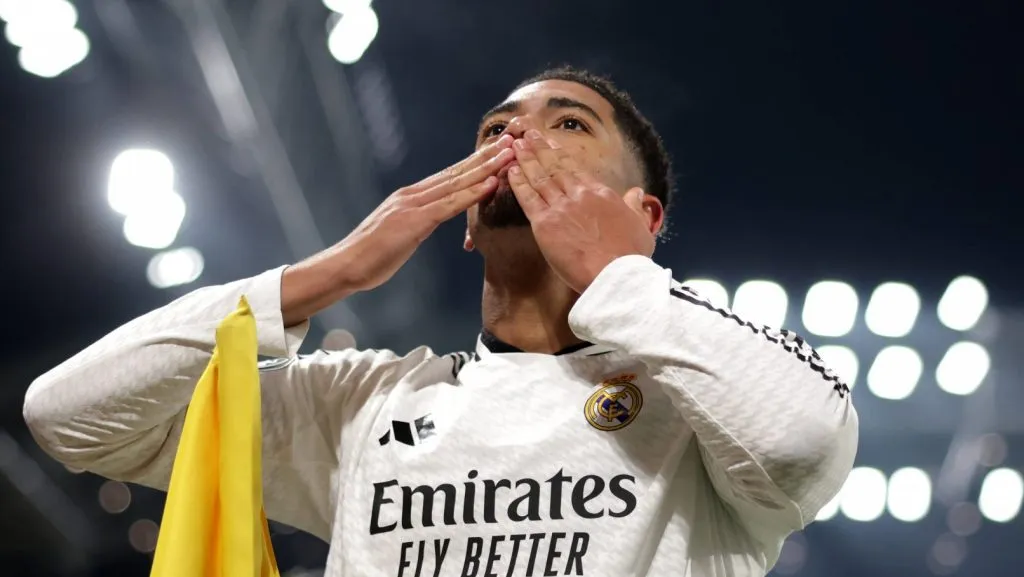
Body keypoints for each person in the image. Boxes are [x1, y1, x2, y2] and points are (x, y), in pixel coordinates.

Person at [24, 66, 858, 577]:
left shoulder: (703, 396)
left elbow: (802, 444)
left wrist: (621, 278)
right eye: (497, 128)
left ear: (645, 215)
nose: (517, 139)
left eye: (567, 123)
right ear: (464, 224)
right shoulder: (368, 401)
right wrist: (324, 276)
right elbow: (71, 417)